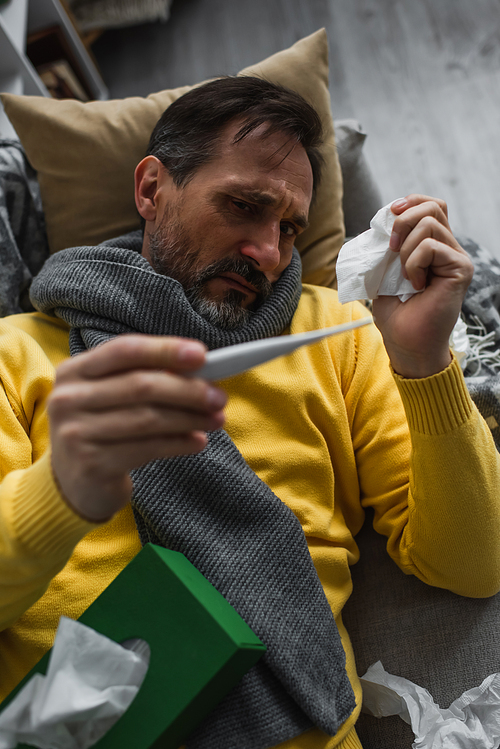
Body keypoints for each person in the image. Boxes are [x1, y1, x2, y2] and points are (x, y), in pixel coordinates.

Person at [0, 76, 499, 749]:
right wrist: (60, 492)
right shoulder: (20, 353)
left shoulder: (339, 335)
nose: (268, 251)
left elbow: (477, 563)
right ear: (151, 190)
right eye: (242, 205)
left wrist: (426, 362)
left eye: (290, 228)